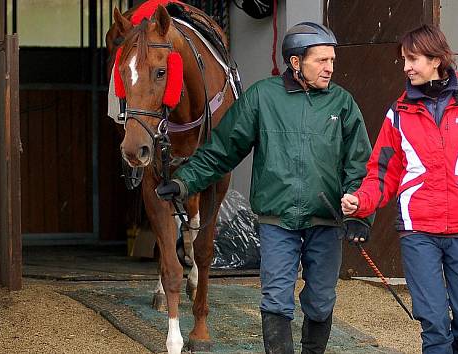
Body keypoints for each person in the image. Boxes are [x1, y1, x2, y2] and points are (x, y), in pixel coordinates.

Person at [155, 22, 372, 353]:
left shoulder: (342, 104)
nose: (330, 68)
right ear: (296, 62)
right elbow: (221, 150)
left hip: (327, 221)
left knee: (321, 300)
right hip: (277, 220)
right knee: (276, 298)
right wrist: (184, 182)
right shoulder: (261, 98)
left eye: (332, 60)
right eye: (321, 60)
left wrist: (360, 212)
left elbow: (360, 164)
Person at [341, 25, 458, 354]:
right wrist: (360, 201)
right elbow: (382, 171)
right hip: (417, 232)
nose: (406, 67)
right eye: (404, 60)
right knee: (435, 325)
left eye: (413, 59)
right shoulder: (398, 113)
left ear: (436, 59)